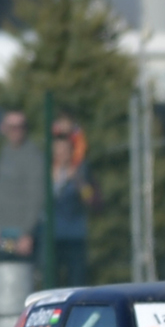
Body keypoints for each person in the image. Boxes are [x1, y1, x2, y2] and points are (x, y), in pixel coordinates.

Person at [0, 111, 45, 261]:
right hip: (4, 232)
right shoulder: (5, 152)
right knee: (6, 272)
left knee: (22, 276)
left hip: (23, 234)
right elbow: (0, 192)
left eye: (21, 127)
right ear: (4, 128)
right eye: (12, 127)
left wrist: (27, 233)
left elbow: (36, 196)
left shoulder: (32, 156)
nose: (17, 131)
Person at [49, 117, 98, 285]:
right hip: (51, 235)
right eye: (58, 150)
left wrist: (77, 179)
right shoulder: (46, 173)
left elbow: (91, 199)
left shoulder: (80, 172)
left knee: (76, 280)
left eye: (65, 151)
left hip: (74, 235)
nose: (61, 154)